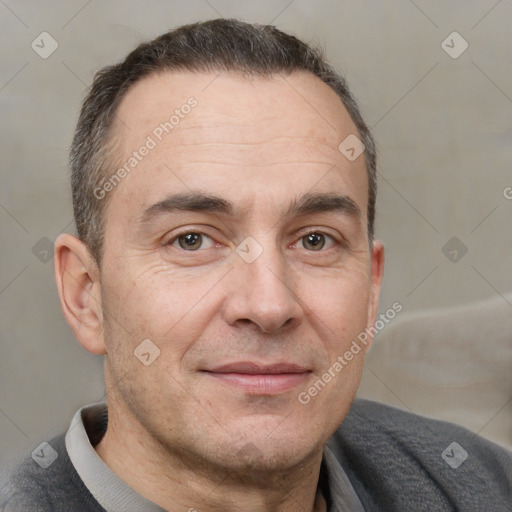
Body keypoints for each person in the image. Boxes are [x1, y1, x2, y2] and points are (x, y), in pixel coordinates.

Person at [1, 18, 510, 512]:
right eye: (192, 240)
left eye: (315, 240)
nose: (269, 305)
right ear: (85, 295)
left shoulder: (485, 487)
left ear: (372, 289)